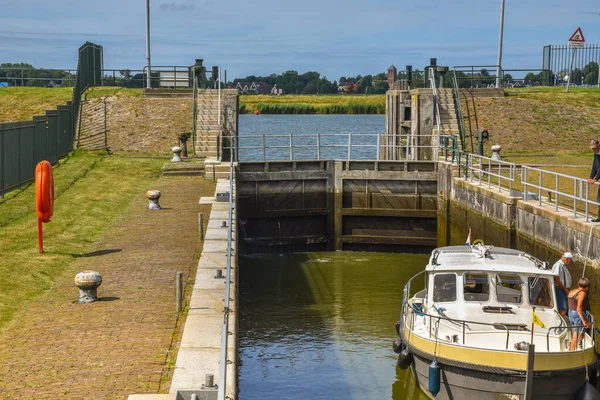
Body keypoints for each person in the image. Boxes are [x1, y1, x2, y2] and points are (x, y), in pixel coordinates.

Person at [568, 278, 592, 351]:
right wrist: (584, 321)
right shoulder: (582, 293)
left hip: (570, 313)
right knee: (577, 334)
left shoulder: (572, 291)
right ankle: (572, 351)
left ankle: (575, 347)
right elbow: (579, 308)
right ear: (587, 287)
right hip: (577, 315)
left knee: (575, 332)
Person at [552, 252, 573, 317]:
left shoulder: (562, 265)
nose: (571, 262)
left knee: (564, 307)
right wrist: (565, 289)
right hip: (560, 289)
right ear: (567, 259)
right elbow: (556, 278)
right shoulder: (559, 265)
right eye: (570, 260)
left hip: (563, 289)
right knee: (563, 308)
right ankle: (560, 324)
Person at [588, 139, 600, 222]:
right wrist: (591, 176)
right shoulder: (596, 154)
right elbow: (595, 166)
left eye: (594, 148)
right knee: (599, 198)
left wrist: (595, 179)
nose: (593, 150)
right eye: (592, 148)